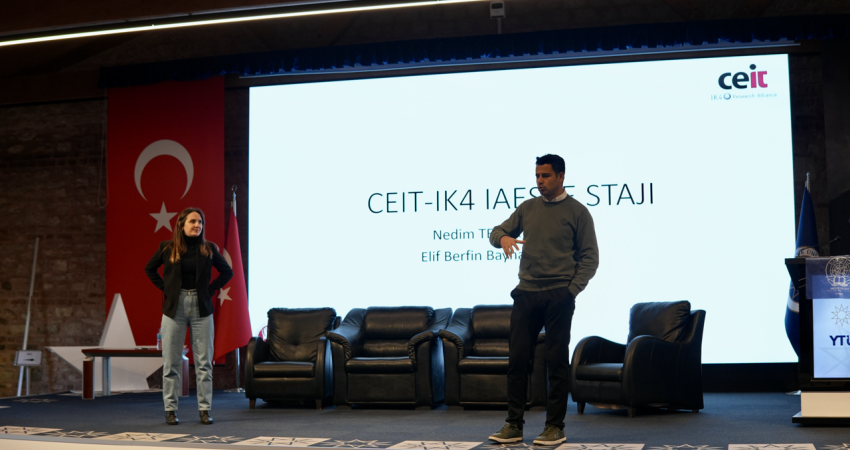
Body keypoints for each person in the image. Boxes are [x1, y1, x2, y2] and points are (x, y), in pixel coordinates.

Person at [487, 154, 599, 445]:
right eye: (537, 175)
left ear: (561, 176)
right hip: (526, 293)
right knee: (517, 361)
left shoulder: (578, 212)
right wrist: (503, 239)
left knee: (556, 362)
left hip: (558, 295)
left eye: (545, 175)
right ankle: (514, 424)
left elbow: (590, 257)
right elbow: (496, 232)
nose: (539, 181)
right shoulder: (527, 207)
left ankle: (554, 427)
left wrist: (570, 291)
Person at [144, 207, 233, 425]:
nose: (197, 225)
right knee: (171, 362)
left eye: (200, 222)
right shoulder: (167, 247)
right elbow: (149, 268)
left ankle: (205, 410)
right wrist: (167, 289)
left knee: (204, 363)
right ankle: (170, 410)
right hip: (175, 307)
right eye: (193, 221)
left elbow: (227, 272)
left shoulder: (209, 249)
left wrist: (210, 290)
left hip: (202, 308)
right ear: (181, 224)